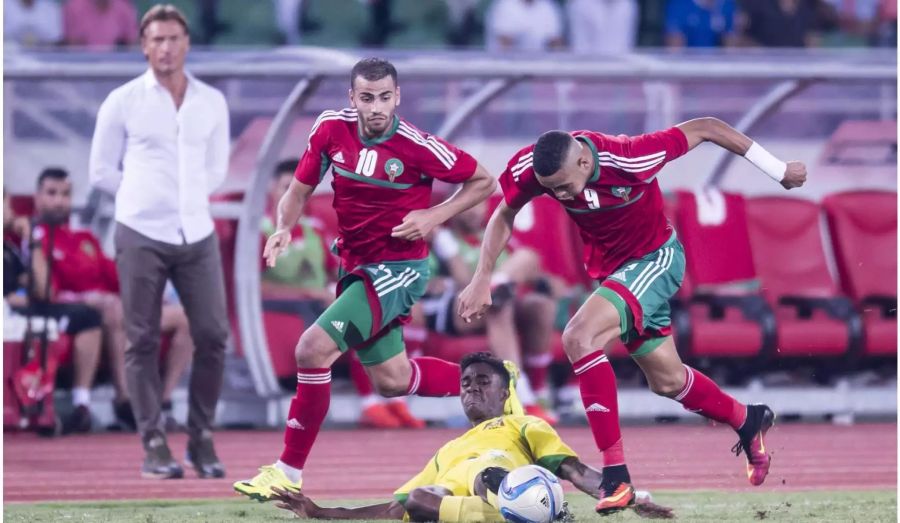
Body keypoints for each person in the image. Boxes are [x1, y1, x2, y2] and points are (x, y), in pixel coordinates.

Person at [458, 118, 807, 513]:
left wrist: (779, 170)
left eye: (562, 185)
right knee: (668, 381)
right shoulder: (532, 169)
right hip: (616, 274)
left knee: (578, 337)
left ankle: (616, 476)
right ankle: (747, 418)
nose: (556, 194)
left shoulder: (631, 156)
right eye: (550, 188)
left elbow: (708, 127)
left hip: (657, 260)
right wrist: (482, 276)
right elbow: (504, 213)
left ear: (584, 163)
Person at [234, 57, 496, 500]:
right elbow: (298, 190)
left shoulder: (417, 145)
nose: (377, 107)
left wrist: (433, 215)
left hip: (398, 269)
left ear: (398, 97)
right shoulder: (330, 129)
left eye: (385, 97)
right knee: (391, 380)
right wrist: (282, 227)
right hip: (355, 265)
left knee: (312, 349)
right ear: (351, 98)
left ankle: (286, 472)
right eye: (368, 98)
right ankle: (495, 382)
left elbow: (484, 181)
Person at [270, 352, 674, 521]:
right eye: (465, 383)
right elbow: (395, 512)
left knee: (490, 473)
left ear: (504, 392)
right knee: (418, 498)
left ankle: (519, 510)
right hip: (466, 510)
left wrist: (632, 498)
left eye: (483, 382)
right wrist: (321, 512)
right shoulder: (446, 450)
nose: (471, 389)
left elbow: (574, 470)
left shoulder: (524, 425)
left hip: (521, 490)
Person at [89, 4, 231, 479]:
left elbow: (217, 166)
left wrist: (188, 197)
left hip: (197, 231)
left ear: (186, 43)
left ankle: (201, 437)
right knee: (141, 338)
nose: (166, 47)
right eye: (157, 40)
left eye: (174, 38)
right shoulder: (123, 100)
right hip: (140, 231)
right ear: (143, 45)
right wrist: (141, 196)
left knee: (213, 334)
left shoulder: (210, 101)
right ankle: (152, 440)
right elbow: (100, 171)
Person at [31, 168, 195, 435]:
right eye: (52, 193)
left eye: (65, 194)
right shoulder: (32, 240)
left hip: (114, 307)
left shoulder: (84, 239)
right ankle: (124, 400)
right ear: (37, 198)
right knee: (112, 307)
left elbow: (117, 277)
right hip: (82, 312)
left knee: (186, 316)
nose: (59, 200)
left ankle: (163, 403)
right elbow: (45, 291)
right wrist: (86, 298)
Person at [263, 159, 425, 429]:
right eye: (285, 188)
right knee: (357, 318)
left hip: (320, 299)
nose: (293, 195)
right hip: (290, 304)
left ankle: (398, 399)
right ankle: (369, 403)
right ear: (272, 191)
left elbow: (333, 270)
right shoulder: (263, 230)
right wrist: (310, 293)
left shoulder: (314, 228)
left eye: (299, 189)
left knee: (399, 309)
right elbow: (250, 287)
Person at [425, 201, 557, 423]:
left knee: (539, 304)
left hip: (503, 299)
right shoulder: (443, 238)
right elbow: (463, 285)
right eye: (469, 205)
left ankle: (539, 390)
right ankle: (523, 397)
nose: (476, 211)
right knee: (498, 306)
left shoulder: (494, 236)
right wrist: (445, 247)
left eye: (480, 205)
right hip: (460, 310)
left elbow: (532, 268)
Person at [3, 190, 103, 434]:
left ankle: (80, 404)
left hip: (26, 310)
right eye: (5, 205)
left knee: (88, 316)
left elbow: (45, 290)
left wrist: (34, 241)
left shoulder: (10, 248)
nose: (12, 212)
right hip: (10, 316)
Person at [63, 0, 138, 50]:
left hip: (117, 65)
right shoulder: (74, 8)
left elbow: (132, 46)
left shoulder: (124, 8)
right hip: (82, 67)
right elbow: (73, 49)